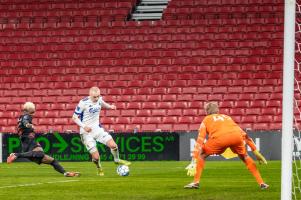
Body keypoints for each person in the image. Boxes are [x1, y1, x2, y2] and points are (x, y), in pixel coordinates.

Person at [184, 102, 269, 189]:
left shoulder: (206, 119)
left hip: (220, 139)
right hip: (236, 136)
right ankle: (262, 183)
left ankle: (196, 182)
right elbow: (244, 134)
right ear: (217, 110)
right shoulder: (227, 117)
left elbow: (200, 139)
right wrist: (256, 152)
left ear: (206, 111)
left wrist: (194, 160)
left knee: (202, 154)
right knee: (245, 156)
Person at [7, 102, 80, 177]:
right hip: (29, 140)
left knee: (52, 161)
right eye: (33, 111)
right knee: (40, 153)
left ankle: (65, 173)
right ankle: (16, 155)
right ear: (30, 111)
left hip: (26, 143)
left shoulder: (20, 117)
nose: (34, 113)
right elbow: (25, 121)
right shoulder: (27, 116)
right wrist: (28, 125)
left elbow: (23, 123)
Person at [72, 86, 131, 176]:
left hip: (97, 129)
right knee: (96, 157)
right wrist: (84, 126)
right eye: (94, 97)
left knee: (114, 145)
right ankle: (99, 168)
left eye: (98, 96)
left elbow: (102, 104)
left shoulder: (99, 99)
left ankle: (117, 160)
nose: (96, 98)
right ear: (90, 95)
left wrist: (110, 107)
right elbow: (74, 117)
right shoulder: (83, 103)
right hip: (86, 133)